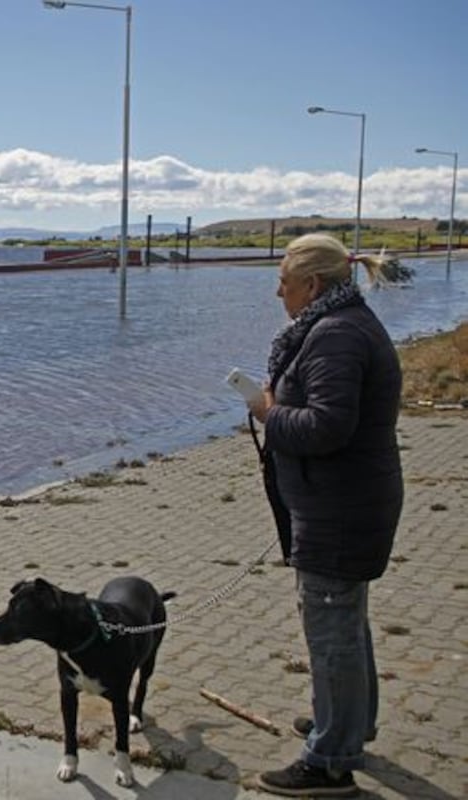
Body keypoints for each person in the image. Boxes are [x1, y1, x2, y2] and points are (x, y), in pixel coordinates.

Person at [246, 233, 405, 797]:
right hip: (345, 502)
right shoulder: (343, 324)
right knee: (347, 625)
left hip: (340, 510)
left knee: (334, 630)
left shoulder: (335, 334)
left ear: (312, 285)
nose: (277, 293)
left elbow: (326, 427)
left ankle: (331, 761)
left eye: (283, 282)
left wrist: (269, 412)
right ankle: (347, 726)